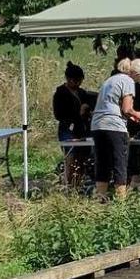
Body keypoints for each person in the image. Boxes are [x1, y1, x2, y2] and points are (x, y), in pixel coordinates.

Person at [90, 58, 140, 200]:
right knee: (119, 165)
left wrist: (129, 116)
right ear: (137, 75)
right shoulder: (128, 81)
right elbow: (127, 108)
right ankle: (121, 205)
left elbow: (111, 105)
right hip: (114, 127)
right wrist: (137, 114)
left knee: (102, 164)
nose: (138, 84)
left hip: (97, 125)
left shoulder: (110, 80)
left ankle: (100, 200)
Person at [52, 62, 94, 192]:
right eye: (76, 81)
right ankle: (68, 184)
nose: (78, 84)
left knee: (82, 157)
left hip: (82, 129)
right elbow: (58, 114)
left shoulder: (82, 93)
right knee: (70, 156)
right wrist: (78, 113)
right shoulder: (60, 94)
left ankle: (78, 183)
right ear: (69, 79)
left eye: (80, 81)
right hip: (67, 129)